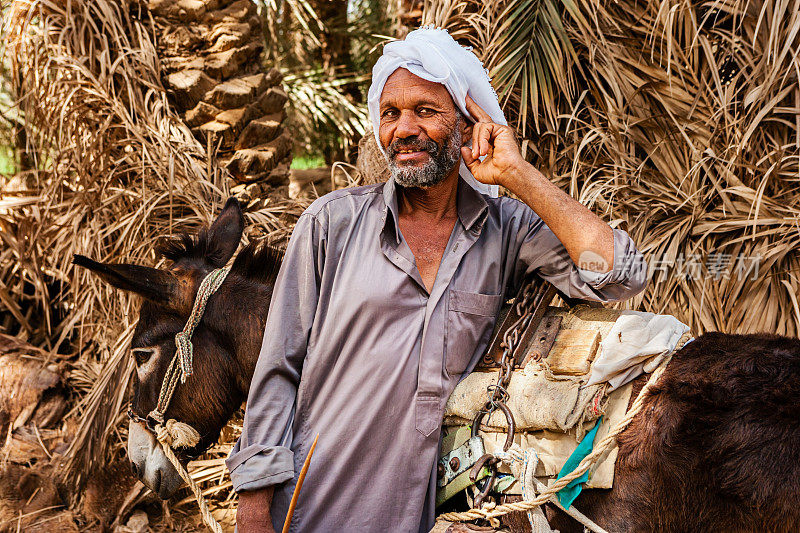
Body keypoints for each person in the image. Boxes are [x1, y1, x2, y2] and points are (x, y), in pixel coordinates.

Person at [228, 28, 647, 533]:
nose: (404, 128)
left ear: (468, 126)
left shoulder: (507, 231)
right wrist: (253, 507)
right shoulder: (330, 225)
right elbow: (279, 368)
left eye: (425, 110)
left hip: (414, 515)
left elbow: (622, 274)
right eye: (390, 113)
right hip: (305, 505)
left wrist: (516, 174)